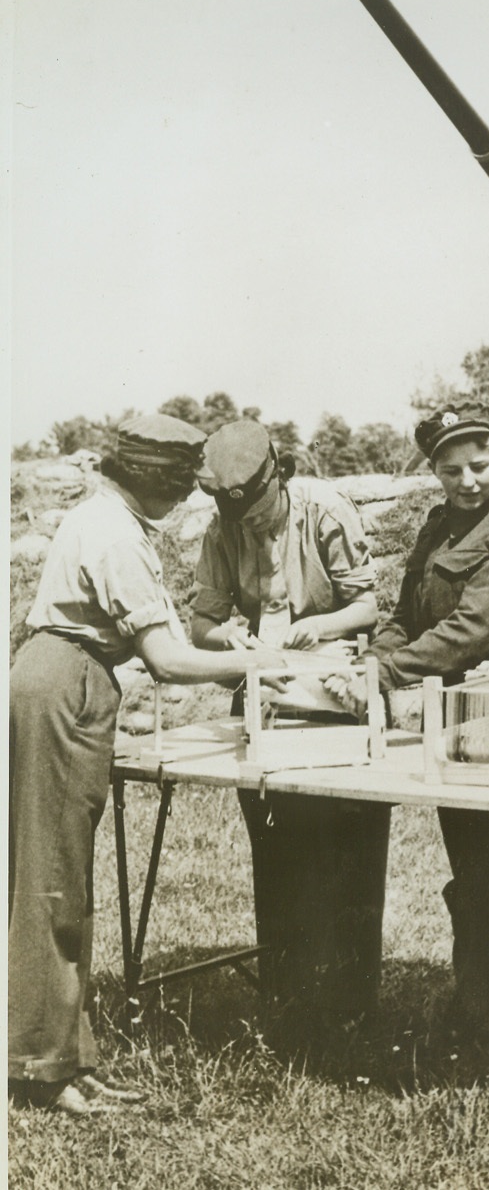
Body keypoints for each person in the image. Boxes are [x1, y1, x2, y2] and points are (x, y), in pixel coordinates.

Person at [9, 414, 285, 1117]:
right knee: (52, 882)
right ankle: (42, 1069)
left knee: (63, 879)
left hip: (68, 676)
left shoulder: (107, 518)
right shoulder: (115, 537)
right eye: (183, 487)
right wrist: (258, 660)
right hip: (66, 680)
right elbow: (166, 660)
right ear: (156, 484)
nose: (190, 501)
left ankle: (67, 1055)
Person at [326, 401, 489, 1044]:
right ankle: (478, 1000)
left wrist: (384, 675)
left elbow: (474, 629)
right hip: (448, 721)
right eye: (451, 471)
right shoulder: (436, 526)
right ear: (435, 473)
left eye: (478, 466)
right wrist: (372, 659)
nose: (468, 481)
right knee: (472, 861)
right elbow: (405, 614)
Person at [191, 419, 389, 1051]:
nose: (252, 528)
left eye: (260, 514)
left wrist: (323, 627)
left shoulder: (326, 509)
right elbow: (201, 622)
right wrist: (235, 641)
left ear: (281, 479)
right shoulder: (221, 528)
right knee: (278, 852)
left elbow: (368, 607)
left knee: (346, 856)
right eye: (239, 519)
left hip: (336, 697)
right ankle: (287, 997)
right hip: (267, 702)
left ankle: (351, 1004)